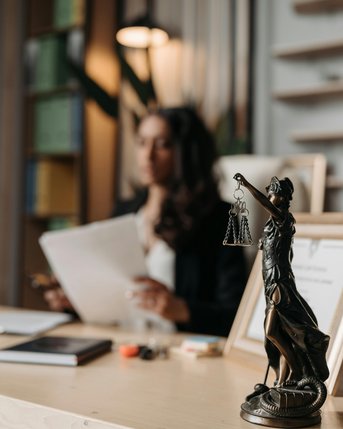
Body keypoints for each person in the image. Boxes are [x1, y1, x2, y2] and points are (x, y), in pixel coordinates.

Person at [44, 107, 247, 336]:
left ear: (185, 153)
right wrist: (76, 301)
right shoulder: (124, 212)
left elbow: (237, 315)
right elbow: (111, 297)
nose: (148, 155)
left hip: (176, 354)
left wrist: (183, 310)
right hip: (117, 345)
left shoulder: (220, 219)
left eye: (162, 144)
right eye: (142, 142)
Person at [234, 173, 330, 385]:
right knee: (280, 334)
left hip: (280, 282)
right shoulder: (271, 225)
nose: (269, 196)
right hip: (270, 282)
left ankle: (295, 369)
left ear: (282, 198)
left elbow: (263, 203)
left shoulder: (284, 218)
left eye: (272, 194)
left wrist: (247, 184)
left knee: (272, 331)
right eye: (269, 193)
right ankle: (283, 379)